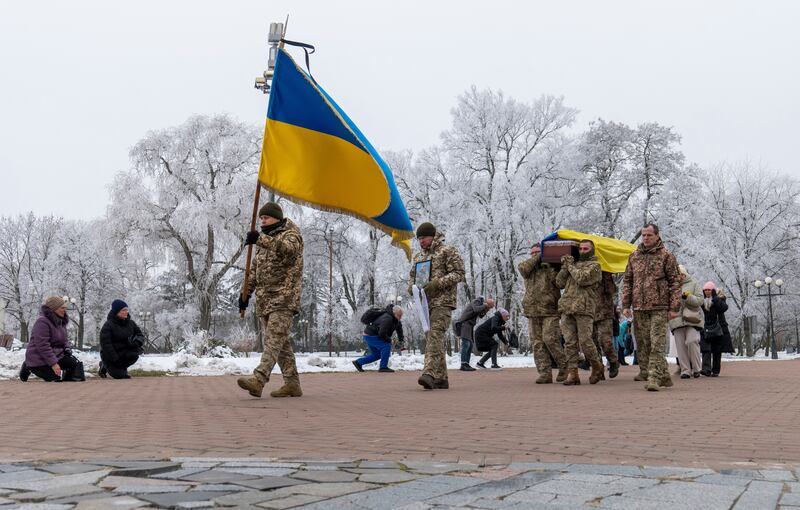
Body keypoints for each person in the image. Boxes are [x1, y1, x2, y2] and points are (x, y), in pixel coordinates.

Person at [237, 202, 304, 398]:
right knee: (281, 344)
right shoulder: (263, 243)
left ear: (277, 217)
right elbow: (255, 272)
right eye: (261, 218)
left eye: (266, 217)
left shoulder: (291, 235)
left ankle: (258, 380)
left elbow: (287, 250)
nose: (263, 221)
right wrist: (245, 295)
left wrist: (260, 239)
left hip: (284, 298)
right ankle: (292, 384)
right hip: (265, 301)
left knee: (272, 339)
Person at [622, 223, 682, 391]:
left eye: (649, 235)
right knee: (644, 343)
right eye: (644, 235)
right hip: (639, 307)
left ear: (657, 236)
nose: (646, 238)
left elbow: (675, 282)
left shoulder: (666, 256)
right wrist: (626, 304)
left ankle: (653, 377)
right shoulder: (634, 256)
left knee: (657, 343)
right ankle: (664, 376)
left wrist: (674, 307)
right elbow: (628, 281)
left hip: (659, 307)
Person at [409, 222, 465, 390]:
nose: (421, 241)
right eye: (418, 239)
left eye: (424, 238)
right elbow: (412, 276)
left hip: (443, 302)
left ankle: (429, 373)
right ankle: (441, 378)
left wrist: (437, 283)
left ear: (433, 236)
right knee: (433, 338)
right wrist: (411, 287)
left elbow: (459, 273)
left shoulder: (447, 251)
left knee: (434, 335)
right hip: (425, 304)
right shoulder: (419, 257)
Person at [556, 240, 604, 385]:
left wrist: (570, 265)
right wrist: (565, 266)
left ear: (592, 250)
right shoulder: (573, 265)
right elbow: (559, 282)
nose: (583, 251)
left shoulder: (595, 266)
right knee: (569, 343)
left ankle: (596, 366)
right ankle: (573, 374)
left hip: (584, 308)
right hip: (567, 307)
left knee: (585, 341)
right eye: (581, 249)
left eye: (586, 248)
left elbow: (582, 279)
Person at [518, 243, 567, 384]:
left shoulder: (550, 266)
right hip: (532, 311)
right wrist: (539, 256)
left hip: (550, 309)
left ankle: (564, 366)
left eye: (538, 252)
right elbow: (522, 269)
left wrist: (549, 265)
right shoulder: (528, 267)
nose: (535, 255)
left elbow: (559, 283)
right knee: (537, 343)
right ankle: (544, 373)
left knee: (550, 339)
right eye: (532, 253)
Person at [19, 296, 84, 382]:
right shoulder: (42, 322)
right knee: (55, 378)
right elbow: (43, 346)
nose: (65, 310)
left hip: (56, 355)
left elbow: (64, 340)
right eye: (62, 308)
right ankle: (29, 366)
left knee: (74, 365)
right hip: (39, 358)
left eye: (65, 308)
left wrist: (67, 347)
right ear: (54, 308)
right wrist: (53, 364)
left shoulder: (60, 321)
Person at [668, 266, 704, 379]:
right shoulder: (671, 286)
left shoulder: (694, 284)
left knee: (692, 341)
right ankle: (685, 370)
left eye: (681, 274)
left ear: (684, 274)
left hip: (691, 319)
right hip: (676, 320)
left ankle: (697, 368)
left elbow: (699, 300)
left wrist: (687, 296)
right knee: (680, 346)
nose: (679, 277)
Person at [98, 299, 145, 379]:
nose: (126, 312)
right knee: (119, 376)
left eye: (127, 309)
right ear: (117, 311)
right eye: (124, 310)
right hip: (110, 355)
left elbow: (140, 335)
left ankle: (122, 369)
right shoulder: (108, 325)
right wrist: (115, 359)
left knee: (134, 355)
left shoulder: (131, 323)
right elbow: (106, 345)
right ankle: (104, 365)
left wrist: (136, 343)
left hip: (124, 352)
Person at [353, 304, 405, 372]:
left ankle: (358, 363)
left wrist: (401, 341)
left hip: (368, 335)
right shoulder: (388, 318)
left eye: (401, 316)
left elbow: (400, 331)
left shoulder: (396, 321)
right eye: (399, 315)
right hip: (371, 335)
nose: (400, 317)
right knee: (386, 346)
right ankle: (383, 367)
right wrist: (390, 340)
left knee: (377, 354)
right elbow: (382, 333)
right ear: (394, 313)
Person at [453, 296, 495, 371]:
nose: (489, 307)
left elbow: (481, 315)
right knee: (466, 344)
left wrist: (486, 309)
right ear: (487, 302)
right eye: (490, 306)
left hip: (470, 326)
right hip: (465, 324)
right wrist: (485, 306)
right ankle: (463, 364)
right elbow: (476, 310)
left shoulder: (481, 305)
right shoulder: (476, 301)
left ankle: (466, 364)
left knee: (470, 345)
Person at [700, 282, 733, 377]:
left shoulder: (720, 298)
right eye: (705, 290)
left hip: (718, 328)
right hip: (706, 327)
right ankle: (706, 369)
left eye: (709, 290)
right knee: (706, 348)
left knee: (716, 350)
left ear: (713, 290)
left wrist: (715, 298)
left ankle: (715, 370)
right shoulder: (702, 300)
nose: (707, 292)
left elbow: (723, 308)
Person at [593, 271, 620, 378]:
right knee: (593, 343)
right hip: (589, 312)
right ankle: (599, 369)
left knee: (605, 341)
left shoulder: (605, 273)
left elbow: (612, 290)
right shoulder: (585, 271)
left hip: (604, 312)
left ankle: (613, 361)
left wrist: (606, 276)